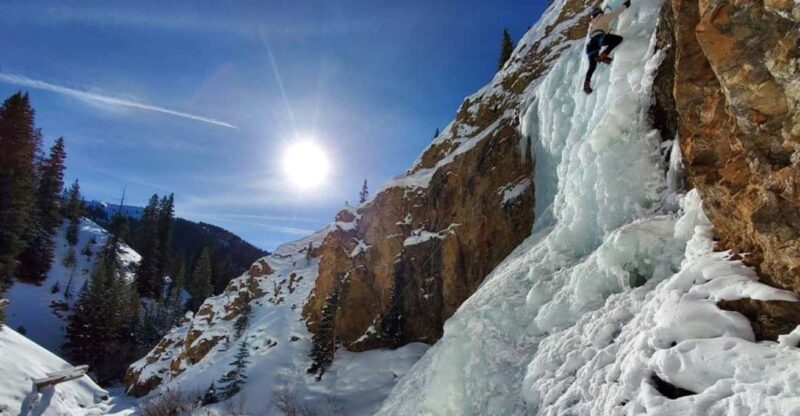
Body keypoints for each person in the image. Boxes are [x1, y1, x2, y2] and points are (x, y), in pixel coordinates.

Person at [583, 1, 631, 94]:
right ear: (599, 13)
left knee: (592, 66)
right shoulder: (602, 17)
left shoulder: (592, 24)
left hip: (590, 46)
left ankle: (586, 83)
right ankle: (604, 54)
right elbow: (616, 13)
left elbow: (596, 31)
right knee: (618, 39)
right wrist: (625, 5)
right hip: (599, 39)